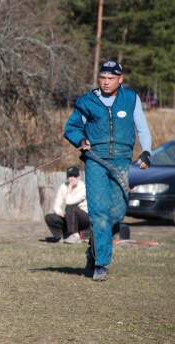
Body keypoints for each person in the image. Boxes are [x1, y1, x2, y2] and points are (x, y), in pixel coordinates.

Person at [64, 61, 152, 281]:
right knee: (100, 214)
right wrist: (81, 139)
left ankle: (93, 252)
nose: (106, 82)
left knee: (117, 214)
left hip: (122, 161)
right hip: (95, 161)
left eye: (111, 78)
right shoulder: (87, 101)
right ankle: (101, 264)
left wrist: (147, 152)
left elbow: (141, 127)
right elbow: (72, 127)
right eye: (103, 77)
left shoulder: (131, 99)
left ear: (120, 79)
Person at [44, 166, 89, 244]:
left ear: (78, 177)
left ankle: (75, 235)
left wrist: (69, 188)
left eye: (74, 176)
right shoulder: (63, 187)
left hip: (85, 218)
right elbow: (56, 206)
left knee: (71, 208)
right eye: (70, 176)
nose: (72, 178)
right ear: (67, 178)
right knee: (49, 217)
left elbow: (69, 202)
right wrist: (60, 213)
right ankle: (61, 236)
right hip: (70, 217)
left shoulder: (83, 188)